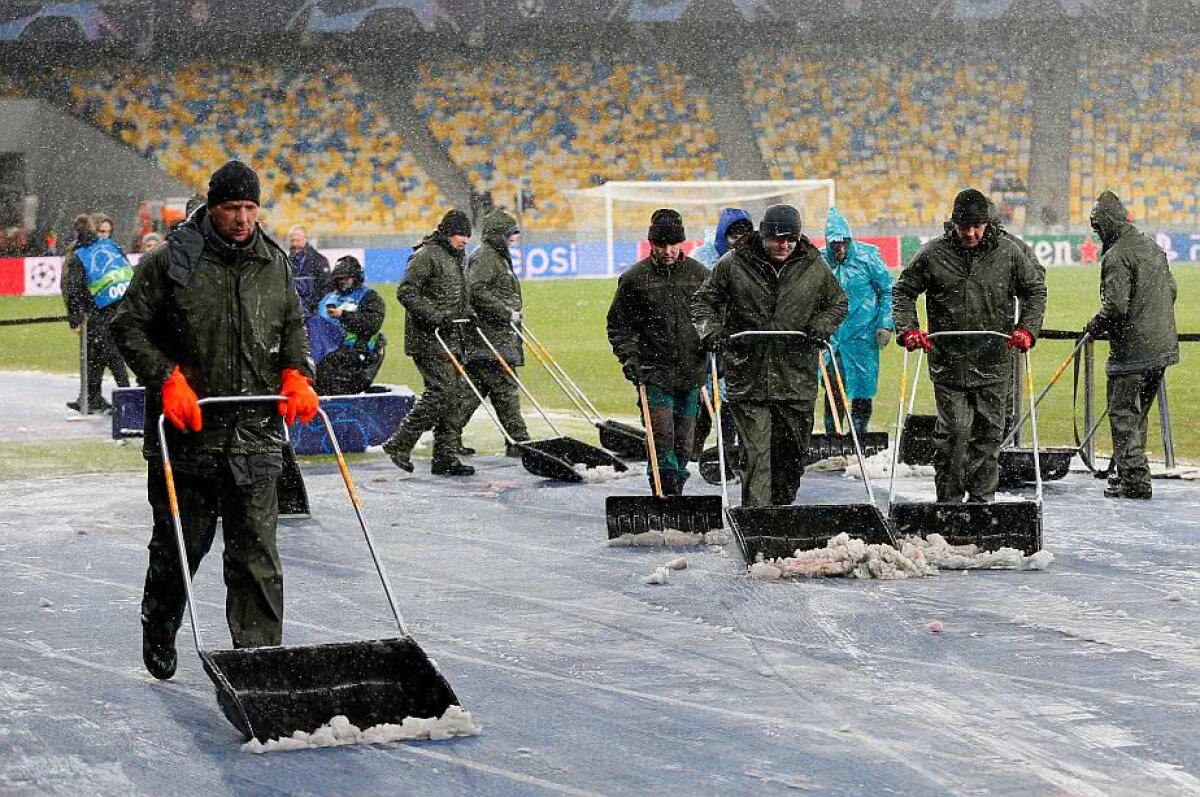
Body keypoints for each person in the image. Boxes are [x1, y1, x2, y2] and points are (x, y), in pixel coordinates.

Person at [111, 160, 318, 680]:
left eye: (251, 208)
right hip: (189, 437)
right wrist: (166, 378)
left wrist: (298, 371)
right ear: (212, 206)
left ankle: (258, 663)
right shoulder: (171, 261)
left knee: (257, 558)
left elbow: (293, 322)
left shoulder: (275, 261)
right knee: (180, 552)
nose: (243, 219)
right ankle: (158, 627)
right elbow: (128, 326)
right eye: (232, 208)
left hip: (256, 434)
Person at [893, 188, 1046, 504]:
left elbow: (1035, 291)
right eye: (965, 227)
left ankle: (981, 504)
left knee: (988, 437)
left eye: (978, 226)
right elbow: (903, 291)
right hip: (949, 362)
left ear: (988, 223)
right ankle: (948, 503)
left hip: (994, 361)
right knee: (955, 434)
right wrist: (909, 329)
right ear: (954, 223)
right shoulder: (933, 254)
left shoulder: (1008, 253)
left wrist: (1027, 329)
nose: (972, 234)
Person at [692, 204, 848, 507]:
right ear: (763, 236)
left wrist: (821, 325)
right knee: (756, 457)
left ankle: (781, 511)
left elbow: (838, 303)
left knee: (791, 458)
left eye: (790, 239)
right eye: (777, 239)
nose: (784, 245)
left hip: (796, 379)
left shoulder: (814, 266)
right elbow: (703, 302)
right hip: (749, 377)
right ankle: (758, 519)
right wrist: (712, 331)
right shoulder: (733, 264)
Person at [1084, 191, 1178, 500]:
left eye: (1097, 227)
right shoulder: (1151, 246)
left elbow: (1117, 307)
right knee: (1137, 414)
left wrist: (1096, 325)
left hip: (1133, 352)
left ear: (1109, 223)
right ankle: (1128, 471)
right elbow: (1172, 290)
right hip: (1161, 348)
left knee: (1123, 413)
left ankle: (1135, 480)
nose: (1096, 233)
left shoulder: (1116, 255)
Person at [608, 209, 709, 495]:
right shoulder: (635, 279)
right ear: (651, 244)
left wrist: (714, 346)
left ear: (682, 243)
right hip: (653, 372)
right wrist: (630, 359)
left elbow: (715, 317)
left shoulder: (700, 276)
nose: (667, 251)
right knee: (661, 438)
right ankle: (663, 490)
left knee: (684, 442)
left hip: (691, 373)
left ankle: (677, 486)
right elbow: (618, 325)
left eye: (673, 244)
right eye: (660, 245)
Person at [381, 210, 475, 477]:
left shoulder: (458, 257)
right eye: (461, 235)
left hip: (453, 337)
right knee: (440, 391)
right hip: (428, 338)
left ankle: (445, 456)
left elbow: (458, 294)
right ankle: (400, 442)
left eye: (467, 236)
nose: (465, 241)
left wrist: (469, 314)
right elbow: (406, 291)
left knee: (454, 397)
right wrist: (435, 317)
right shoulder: (426, 255)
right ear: (447, 232)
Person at [453, 207, 531, 457]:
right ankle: (518, 441)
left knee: (473, 392)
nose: (513, 239)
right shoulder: (486, 257)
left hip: (493, 339)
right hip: (490, 338)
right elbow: (475, 290)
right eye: (510, 234)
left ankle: (448, 437)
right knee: (504, 389)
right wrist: (506, 312)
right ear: (498, 234)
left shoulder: (496, 256)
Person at [820, 207, 893, 439]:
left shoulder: (868, 257)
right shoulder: (819, 262)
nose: (840, 248)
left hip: (863, 335)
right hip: (833, 338)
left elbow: (888, 290)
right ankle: (833, 436)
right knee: (832, 387)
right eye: (835, 243)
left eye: (844, 242)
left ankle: (860, 435)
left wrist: (885, 323)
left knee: (862, 388)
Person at [689, 207, 751, 458]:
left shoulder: (752, 258)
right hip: (707, 337)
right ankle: (694, 448)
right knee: (704, 395)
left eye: (743, 235)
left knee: (731, 396)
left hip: (738, 338)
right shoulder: (702, 259)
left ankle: (728, 449)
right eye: (733, 235)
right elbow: (694, 300)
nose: (738, 241)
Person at [60, 212, 132, 413]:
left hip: (100, 309)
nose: (104, 236)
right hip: (123, 304)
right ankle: (92, 398)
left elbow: (72, 286)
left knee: (108, 354)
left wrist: (74, 315)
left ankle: (128, 399)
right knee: (98, 355)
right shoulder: (112, 247)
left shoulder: (79, 253)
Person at [313, 255, 387, 396]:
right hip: (328, 350)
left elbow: (372, 324)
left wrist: (344, 316)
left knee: (328, 364)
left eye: (346, 278)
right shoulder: (327, 299)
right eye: (340, 279)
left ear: (356, 278)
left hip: (358, 351)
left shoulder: (370, 298)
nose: (343, 282)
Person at [287, 224, 332, 316]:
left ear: (305, 239)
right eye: (292, 240)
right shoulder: (287, 261)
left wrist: (313, 305)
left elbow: (326, 285)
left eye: (298, 240)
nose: (295, 243)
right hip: (294, 310)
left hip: (313, 309)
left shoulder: (319, 260)